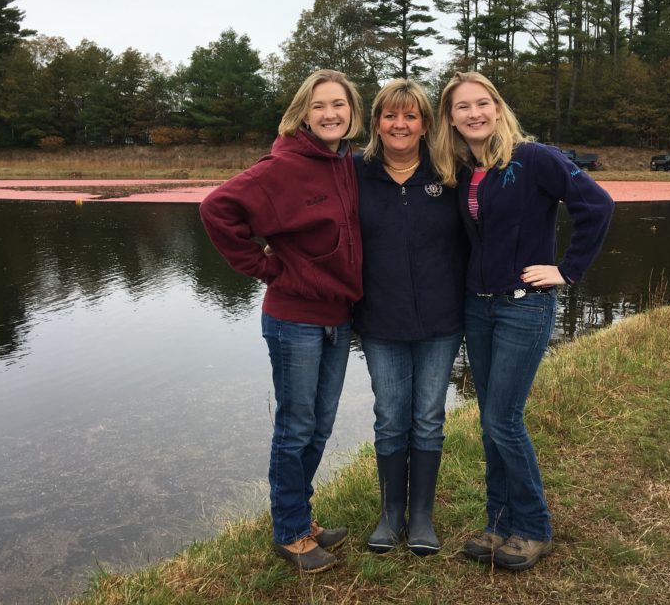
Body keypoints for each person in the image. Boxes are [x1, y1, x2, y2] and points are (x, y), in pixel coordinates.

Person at [434, 71, 614, 571]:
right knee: (491, 421)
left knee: (502, 419)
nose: (474, 113)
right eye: (461, 107)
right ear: (450, 118)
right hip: (479, 306)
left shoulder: (533, 157)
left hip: (523, 305)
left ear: (497, 106)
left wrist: (567, 269)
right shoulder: (464, 168)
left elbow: (596, 206)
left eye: (482, 102)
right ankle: (498, 524)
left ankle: (533, 527)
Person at [199, 69, 364, 574]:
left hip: (339, 316)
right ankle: (288, 531)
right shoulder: (283, 166)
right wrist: (269, 268)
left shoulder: (345, 164)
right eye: (319, 106)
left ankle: (301, 516)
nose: (330, 113)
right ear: (303, 113)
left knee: (320, 425)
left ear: (352, 112)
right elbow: (216, 209)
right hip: (295, 319)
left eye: (339, 104)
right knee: (295, 428)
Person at [353, 79, 466, 556]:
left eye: (411, 116)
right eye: (390, 115)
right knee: (389, 418)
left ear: (425, 124)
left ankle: (420, 516)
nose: (400, 124)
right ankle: (390, 514)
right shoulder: (352, 171)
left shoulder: (451, 171)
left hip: (442, 320)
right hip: (380, 320)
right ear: (377, 122)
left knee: (427, 418)